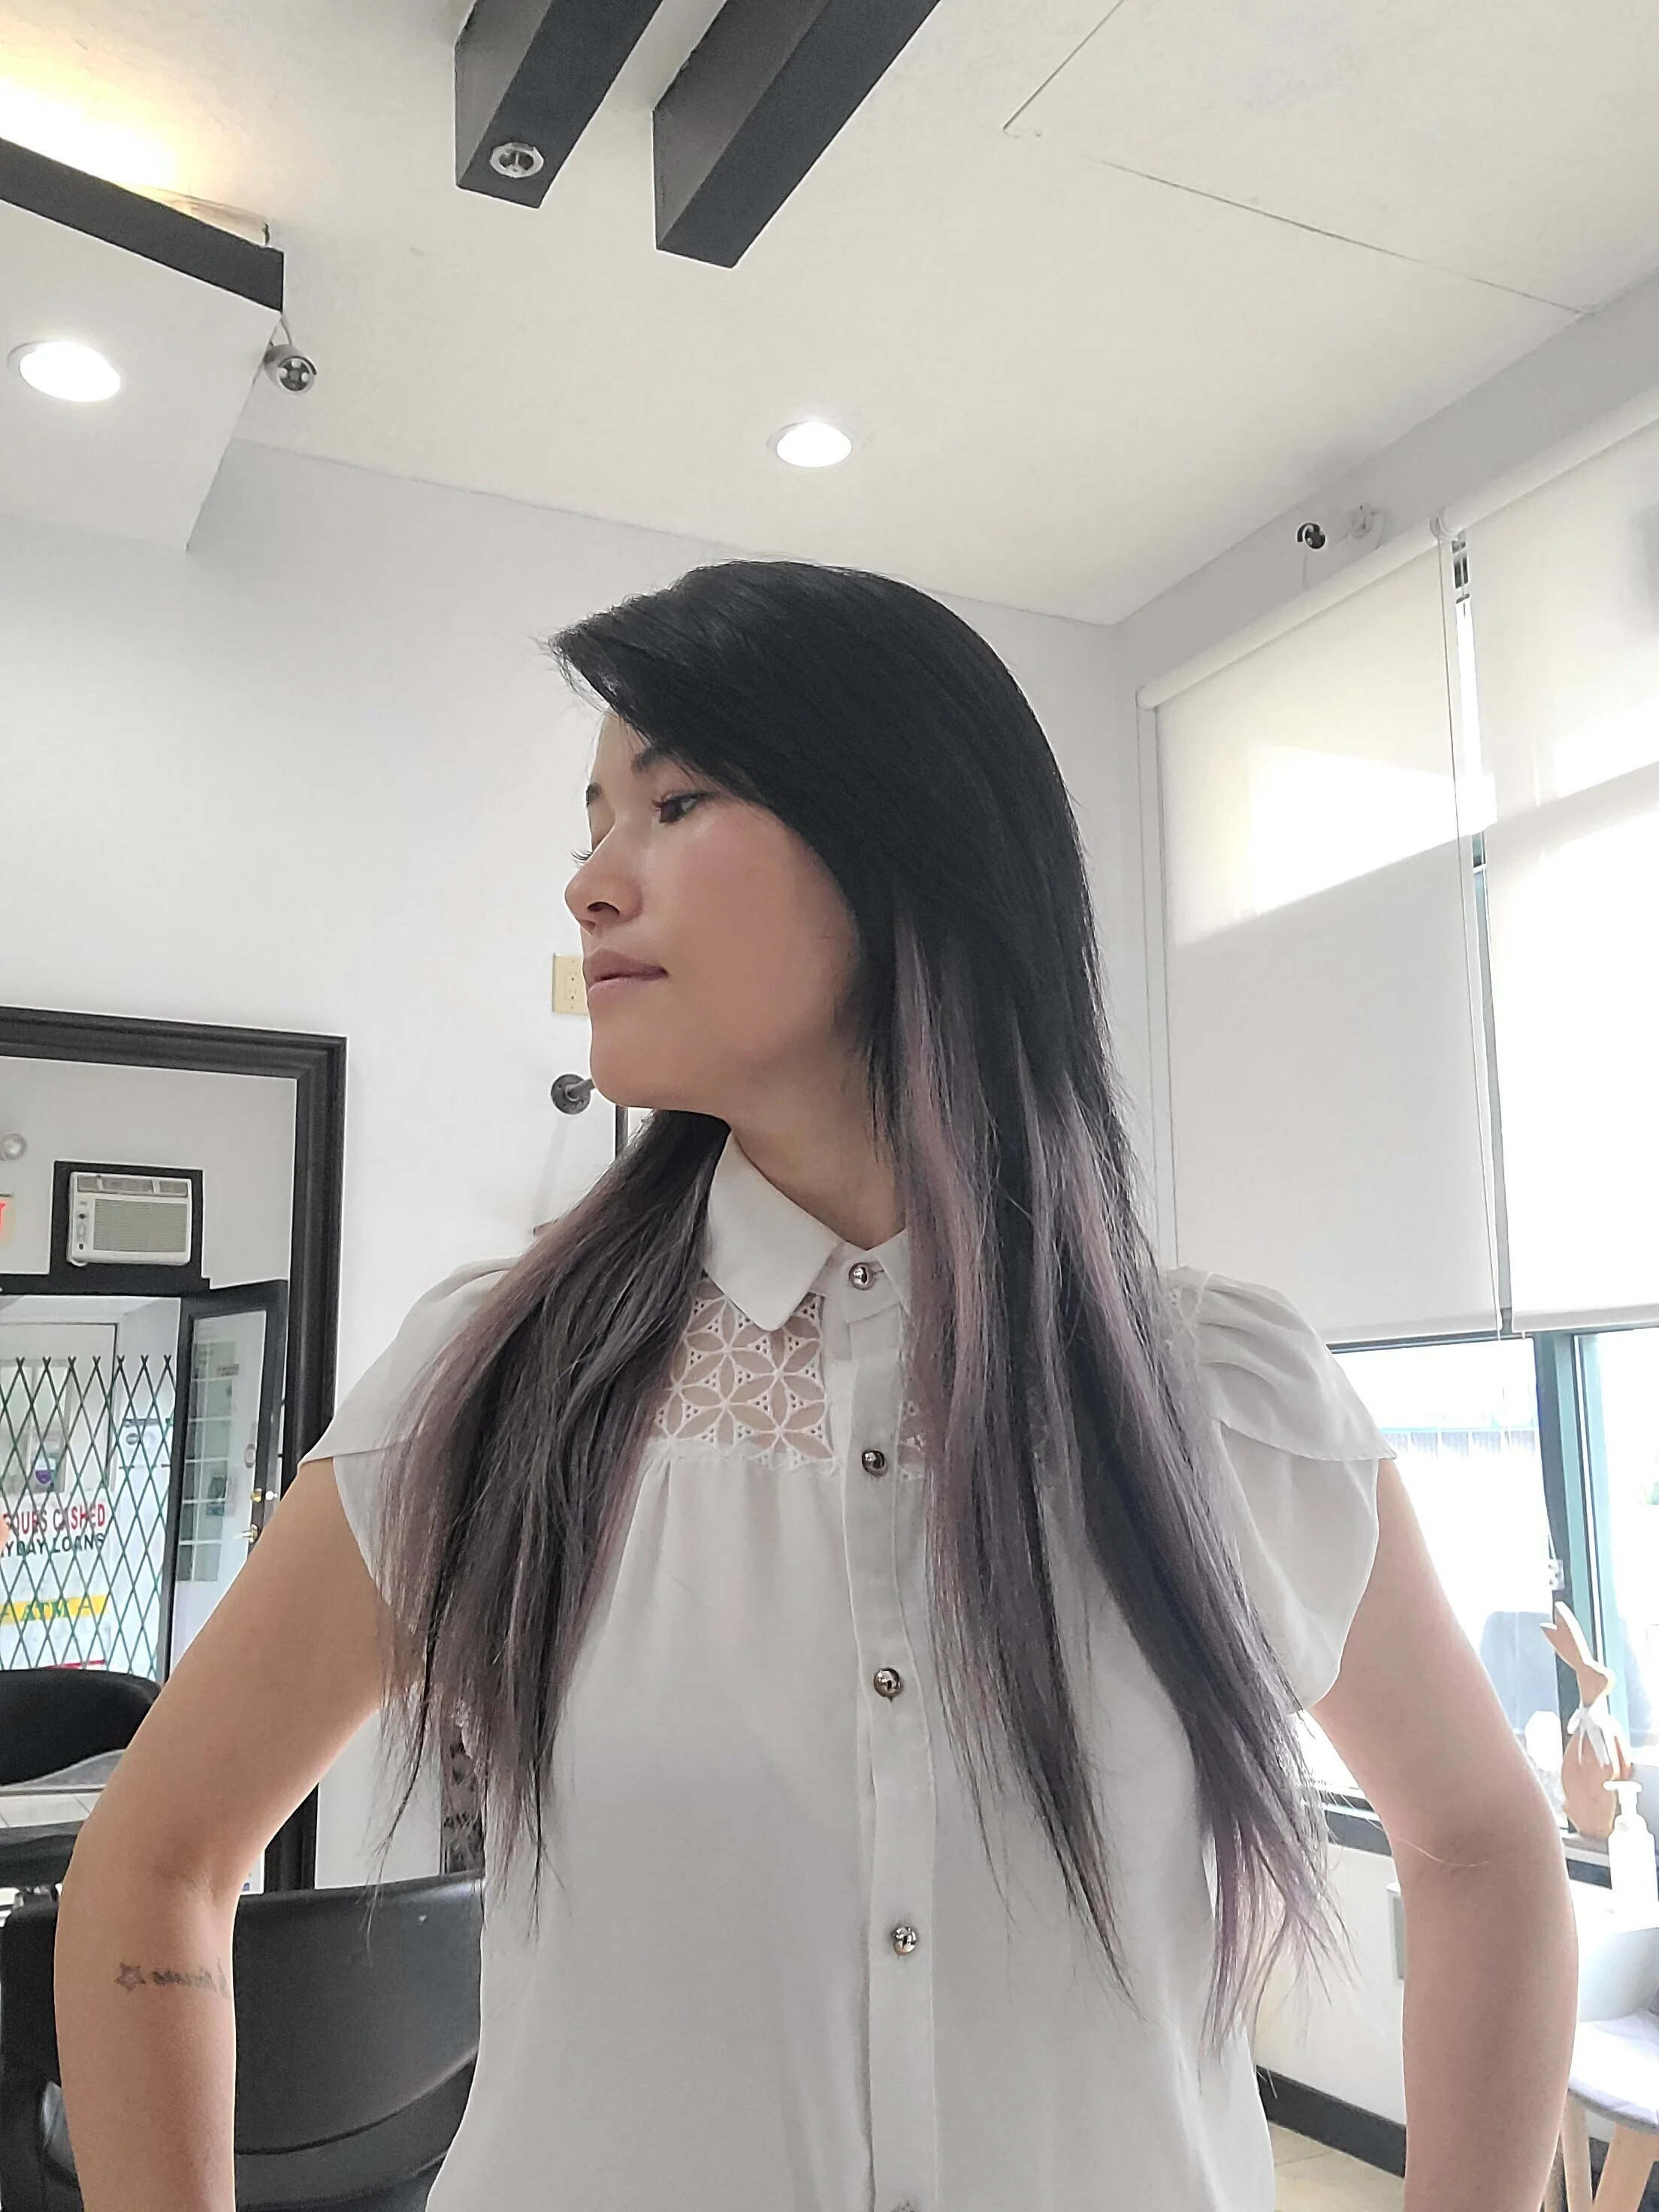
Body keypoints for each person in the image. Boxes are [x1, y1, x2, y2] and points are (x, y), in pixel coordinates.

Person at [55, 560, 1576, 2210]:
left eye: (673, 804)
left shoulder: (1222, 1392)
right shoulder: (487, 1381)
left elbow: (1484, 1845)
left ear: (906, 839)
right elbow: (156, 1860)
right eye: (592, 822)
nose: (588, 882)